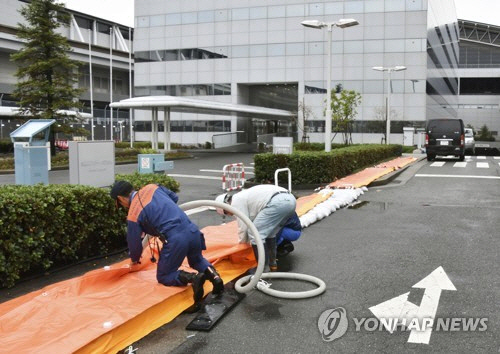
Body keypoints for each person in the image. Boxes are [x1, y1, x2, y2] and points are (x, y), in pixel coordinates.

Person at [110, 181, 224, 305]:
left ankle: (194, 278)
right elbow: (174, 198)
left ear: (120, 198)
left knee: (164, 276)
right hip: (192, 230)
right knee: (197, 259)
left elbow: (134, 243)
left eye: (120, 204)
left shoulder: (133, 213)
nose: (123, 206)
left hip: (176, 239)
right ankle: (215, 278)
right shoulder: (152, 188)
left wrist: (134, 259)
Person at [215, 184, 296, 271]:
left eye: (227, 213)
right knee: (270, 234)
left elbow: (244, 226)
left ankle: (263, 269)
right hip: (290, 200)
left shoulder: (236, 201)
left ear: (226, 206)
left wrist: (241, 246)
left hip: (278, 203)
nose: (230, 215)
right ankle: (272, 265)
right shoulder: (244, 196)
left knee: (255, 233)